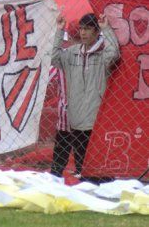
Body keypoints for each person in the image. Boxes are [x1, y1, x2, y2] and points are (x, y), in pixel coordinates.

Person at [50, 12, 120, 179]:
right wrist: (59, 31)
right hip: (76, 118)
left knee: (98, 164)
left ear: (96, 32)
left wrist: (107, 29)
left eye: (88, 29)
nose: (83, 33)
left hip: (96, 118)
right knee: (81, 164)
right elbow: (53, 58)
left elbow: (114, 53)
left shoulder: (102, 55)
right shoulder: (72, 53)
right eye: (81, 29)